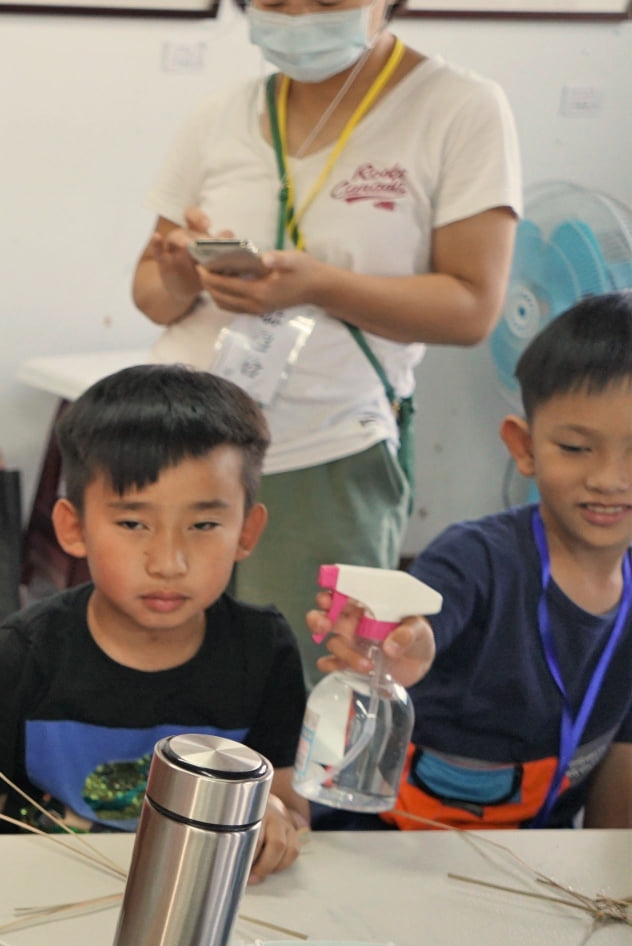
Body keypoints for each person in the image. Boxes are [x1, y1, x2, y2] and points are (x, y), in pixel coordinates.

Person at [132, 0, 520, 669]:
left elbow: (472, 307)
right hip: (182, 439)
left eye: (327, 1)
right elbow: (149, 292)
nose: (298, 16)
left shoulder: (459, 108)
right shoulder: (221, 115)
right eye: (275, 2)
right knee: (164, 673)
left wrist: (318, 285)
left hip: (324, 447)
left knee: (315, 683)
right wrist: (181, 273)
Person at [0, 366, 309, 882]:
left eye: (204, 525)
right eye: (134, 523)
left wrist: (274, 818)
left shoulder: (264, 651)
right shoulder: (22, 654)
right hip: (38, 895)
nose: (168, 562)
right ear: (73, 527)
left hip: (198, 897)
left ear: (246, 532)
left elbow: (289, 805)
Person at [310, 293, 632, 830]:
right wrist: (403, 647)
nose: (608, 478)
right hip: (387, 844)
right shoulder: (476, 557)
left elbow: (618, 807)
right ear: (524, 446)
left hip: (528, 873)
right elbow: (424, 627)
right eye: (576, 448)